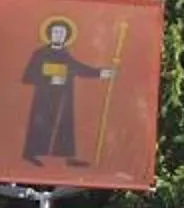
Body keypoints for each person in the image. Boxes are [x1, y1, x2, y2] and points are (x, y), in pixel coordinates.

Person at [20, 17, 117, 165]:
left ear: (66, 36)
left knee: (64, 125)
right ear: (50, 34)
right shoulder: (40, 54)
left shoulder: (65, 54)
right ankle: (31, 154)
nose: (58, 35)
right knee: (41, 124)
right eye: (55, 32)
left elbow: (79, 69)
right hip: (44, 99)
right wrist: (49, 80)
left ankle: (67, 158)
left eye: (61, 32)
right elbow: (28, 77)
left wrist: (102, 73)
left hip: (63, 98)